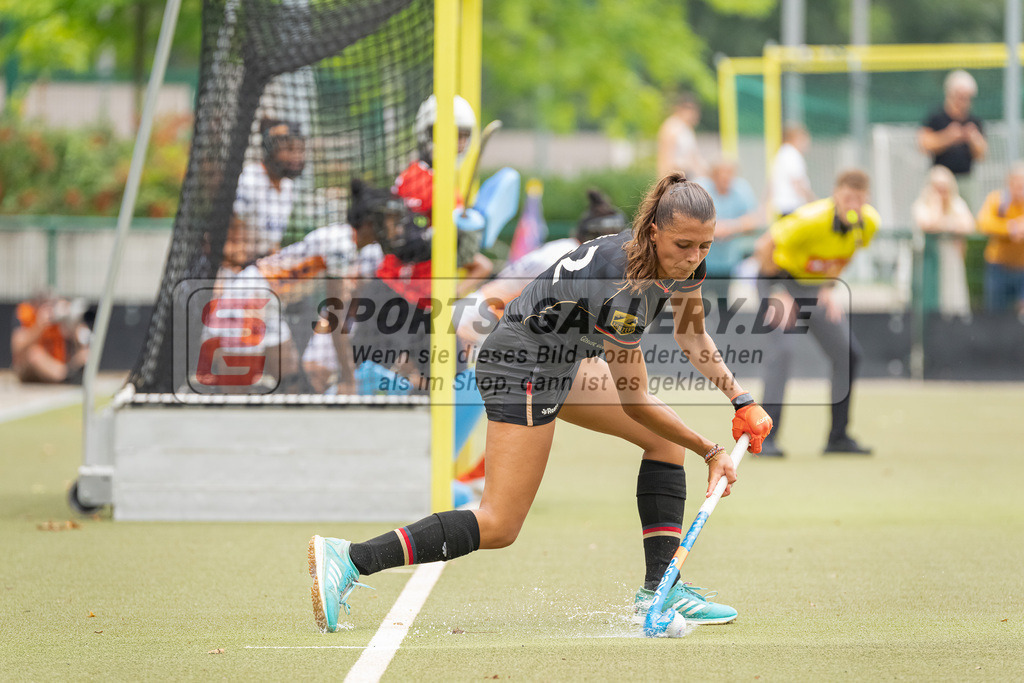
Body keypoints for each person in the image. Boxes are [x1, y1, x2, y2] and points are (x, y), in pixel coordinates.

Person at [308, 173, 775, 634]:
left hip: (563, 357)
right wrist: (710, 450)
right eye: (683, 246)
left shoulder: (677, 261)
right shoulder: (623, 286)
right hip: (523, 366)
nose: (693, 258)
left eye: (704, 247)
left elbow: (691, 333)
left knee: (663, 444)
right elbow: (634, 400)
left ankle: (661, 588)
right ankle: (350, 559)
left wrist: (741, 399)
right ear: (652, 231)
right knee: (498, 524)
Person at [754, 169, 880, 458]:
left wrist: (828, 286)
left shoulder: (869, 223)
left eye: (859, 199)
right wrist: (777, 292)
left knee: (848, 354)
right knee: (783, 352)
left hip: (813, 288)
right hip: (778, 281)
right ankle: (765, 440)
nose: (853, 205)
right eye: (848, 197)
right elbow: (764, 247)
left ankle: (838, 438)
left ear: (867, 200)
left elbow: (844, 254)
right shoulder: (809, 219)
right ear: (836, 195)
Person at [223, 118, 307, 271]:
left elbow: (272, 245)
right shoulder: (250, 181)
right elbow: (228, 244)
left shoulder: (287, 187)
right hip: (233, 275)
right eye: (289, 149)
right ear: (270, 149)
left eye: (300, 150)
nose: (296, 156)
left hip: (260, 273)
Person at [694, 157, 761, 304]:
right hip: (700, 262)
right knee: (696, 306)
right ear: (712, 175)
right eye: (721, 173)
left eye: (729, 173)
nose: (725, 177)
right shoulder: (700, 188)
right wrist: (712, 229)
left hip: (728, 261)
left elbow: (754, 219)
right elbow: (687, 217)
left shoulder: (741, 189)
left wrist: (732, 227)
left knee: (723, 306)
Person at [911, 165, 975, 317]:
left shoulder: (957, 203)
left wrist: (946, 224)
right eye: (937, 187)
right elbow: (930, 224)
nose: (942, 192)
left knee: (952, 297)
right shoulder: (921, 205)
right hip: (927, 261)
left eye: (944, 188)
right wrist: (936, 204)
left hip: (950, 259)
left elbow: (969, 225)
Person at [918, 70, 987, 184]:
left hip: (966, 178)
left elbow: (982, 154)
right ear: (950, 94)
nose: (963, 102)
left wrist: (974, 139)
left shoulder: (974, 121)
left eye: (966, 97)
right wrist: (947, 137)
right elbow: (924, 144)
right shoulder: (936, 117)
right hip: (940, 179)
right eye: (960, 96)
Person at [975, 163, 1024, 315]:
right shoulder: (998, 200)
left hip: (1022, 267)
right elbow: (983, 223)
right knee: (996, 312)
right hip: (998, 266)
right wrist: (1010, 228)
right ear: (1010, 183)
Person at [11, 293, 90, 384]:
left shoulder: (60, 318)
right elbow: (17, 346)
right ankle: (65, 376)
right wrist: (39, 326)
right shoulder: (26, 312)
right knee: (35, 354)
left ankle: (69, 375)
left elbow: (82, 338)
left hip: (60, 363)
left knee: (86, 354)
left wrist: (72, 321)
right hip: (31, 368)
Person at [656, 93, 708, 179]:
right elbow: (666, 159)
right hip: (676, 176)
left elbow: (694, 157)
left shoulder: (687, 129)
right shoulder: (671, 127)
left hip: (688, 174)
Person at [769, 123, 815, 217]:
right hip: (793, 207)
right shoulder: (792, 154)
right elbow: (797, 182)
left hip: (782, 207)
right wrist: (812, 202)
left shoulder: (782, 153)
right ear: (796, 138)